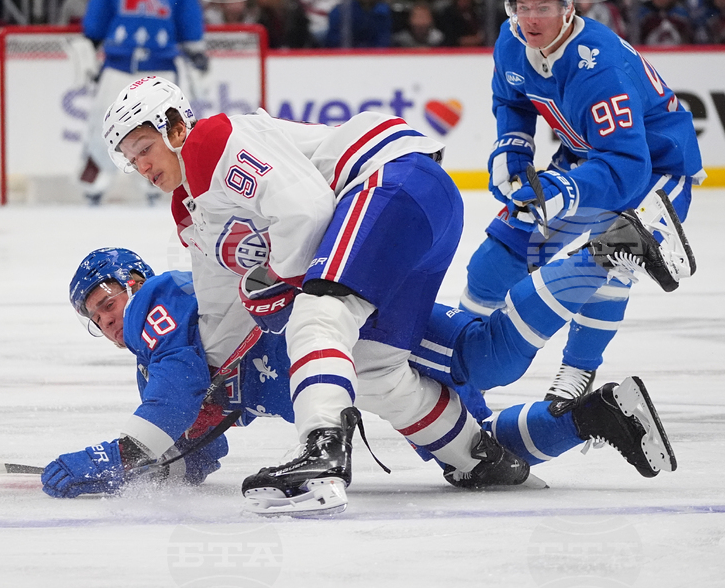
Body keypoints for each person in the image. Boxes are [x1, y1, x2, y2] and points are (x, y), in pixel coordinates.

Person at [97, 76, 539, 515]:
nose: (142, 166)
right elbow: (220, 309)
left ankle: (322, 448)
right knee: (374, 368)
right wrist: (211, 385)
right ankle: (477, 458)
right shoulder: (190, 211)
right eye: (131, 160)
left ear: (176, 128)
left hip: (391, 179)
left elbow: (307, 211)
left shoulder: (208, 143)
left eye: (144, 148)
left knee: (318, 315)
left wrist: (280, 278)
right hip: (424, 204)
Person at [43, 212, 687, 502]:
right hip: (359, 370)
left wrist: (118, 456)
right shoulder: (155, 355)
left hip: (362, 330)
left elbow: (179, 389)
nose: (109, 319)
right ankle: (598, 415)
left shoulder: (160, 301)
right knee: (482, 457)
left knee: (487, 356)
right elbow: (200, 444)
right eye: (96, 318)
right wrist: (158, 466)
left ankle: (604, 250)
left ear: (135, 282)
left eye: (108, 300)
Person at [461, 0, 702, 406]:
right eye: (523, 5)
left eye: (544, 6)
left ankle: (578, 369)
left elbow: (628, 165)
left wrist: (564, 190)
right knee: (498, 255)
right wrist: (513, 145)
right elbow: (512, 97)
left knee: (612, 258)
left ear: (568, 6)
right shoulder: (511, 41)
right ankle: (457, 355)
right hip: (587, 157)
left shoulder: (599, 66)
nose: (531, 18)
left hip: (654, 171)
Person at [78, 0, 205, 205]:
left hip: (161, 62)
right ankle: (98, 178)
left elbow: (187, 13)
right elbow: (100, 10)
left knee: (163, 127)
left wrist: (195, 46)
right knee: (103, 121)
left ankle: (157, 182)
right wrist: (91, 38)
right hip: (119, 61)